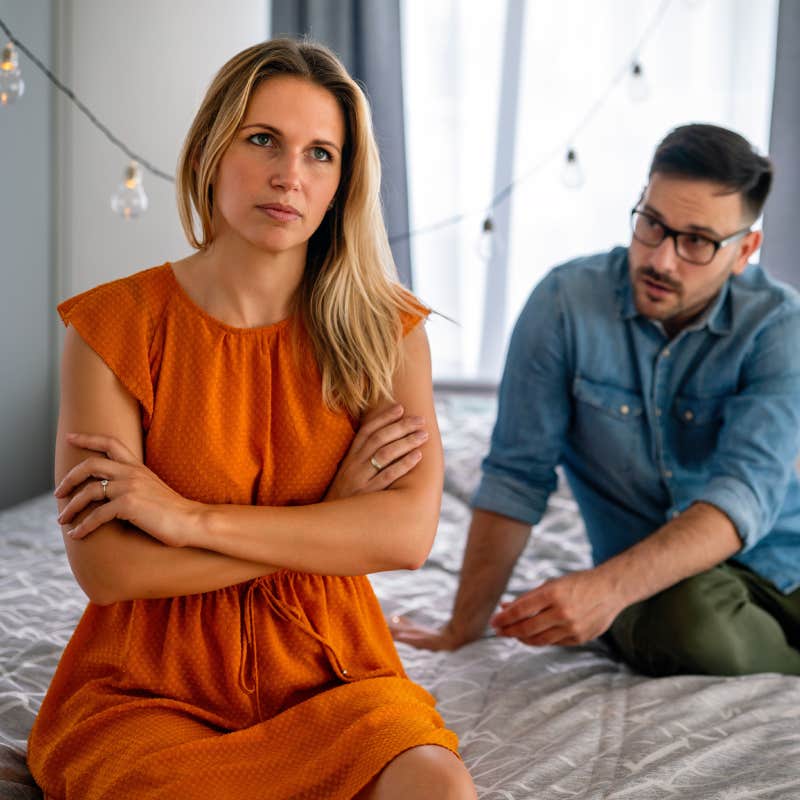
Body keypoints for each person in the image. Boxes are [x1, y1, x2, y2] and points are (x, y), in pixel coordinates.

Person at [27, 38, 476, 800]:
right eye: (262, 139)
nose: (288, 176)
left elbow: (403, 537)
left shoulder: (389, 333)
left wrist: (187, 519)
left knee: (439, 785)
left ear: (343, 182)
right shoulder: (109, 329)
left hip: (333, 672)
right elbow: (110, 571)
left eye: (320, 154)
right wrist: (331, 522)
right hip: (147, 684)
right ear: (209, 149)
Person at [393, 123, 800, 677]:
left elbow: (743, 493)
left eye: (698, 242)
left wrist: (603, 589)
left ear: (744, 250)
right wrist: (461, 628)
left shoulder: (777, 324)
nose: (662, 260)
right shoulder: (564, 305)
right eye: (652, 225)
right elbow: (517, 474)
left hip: (785, 559)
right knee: (686, 625)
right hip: (667, 593)